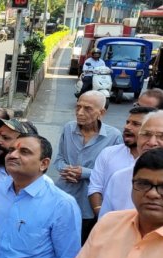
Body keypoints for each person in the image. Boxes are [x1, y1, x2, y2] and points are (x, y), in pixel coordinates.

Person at [55, 90, 122, 243]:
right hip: (63, 195)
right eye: (78, 107)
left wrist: (83, 173)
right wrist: (67, 170)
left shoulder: (113, 136)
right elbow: (59, 159)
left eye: (87, 109)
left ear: (101, 112)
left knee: (83, 243)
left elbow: (115, 174)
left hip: (90, 205)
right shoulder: (68, 128)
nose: (80, 112)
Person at [87, 106, 154, 227]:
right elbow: (95, 187)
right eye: (128, 122)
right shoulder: (108, 153)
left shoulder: (156, 164)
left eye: (135, 124)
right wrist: (102, 216)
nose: (127, 127)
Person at [99, 111, 163, 217]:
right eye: (146, 134)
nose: (152, 142)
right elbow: (105, 226)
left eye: (162, 136)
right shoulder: (119, 178)